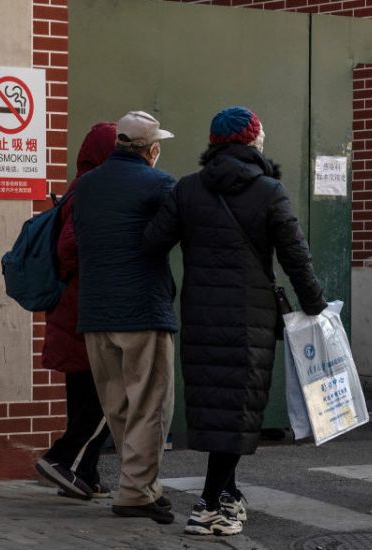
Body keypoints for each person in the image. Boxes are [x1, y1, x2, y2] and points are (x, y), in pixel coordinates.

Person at [145, 106, 327, 536]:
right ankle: (209, 505)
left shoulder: (187, 190)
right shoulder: (269, 192)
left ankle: (227, 493)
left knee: (216, 406)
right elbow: (296, 259)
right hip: (251, 319)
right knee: (238, 407)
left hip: (202, 315)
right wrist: (315, 308)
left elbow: (152, 243)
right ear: (251, 143)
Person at [73, 110, 178, 524]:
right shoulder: (160, 183)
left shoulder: (86, 186)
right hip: (142, 310)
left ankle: (142, 486)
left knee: (117, 405)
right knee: (149, 405)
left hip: (95, 312)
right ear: (151, 150)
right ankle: (136, 492)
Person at [35, 122, 115, 501]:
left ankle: (85, 474)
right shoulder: (90, 189)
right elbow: (70, 248)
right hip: (85, 307)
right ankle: (61, 460)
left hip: (74, 309)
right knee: (108, 394)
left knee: (85, 393)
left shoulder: (79, 186)